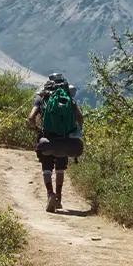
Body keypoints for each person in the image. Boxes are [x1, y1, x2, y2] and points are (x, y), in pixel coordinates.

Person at [27, 74, 83, 212]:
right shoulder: (69, 99)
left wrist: (35, 128)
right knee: (60, 168)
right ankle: (58, 197)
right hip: (65, 139)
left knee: (46, 168)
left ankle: (50, 194)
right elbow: (80, 118)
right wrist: (76, 131)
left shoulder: (42, 97)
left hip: (47, 139)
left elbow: (30, 117)